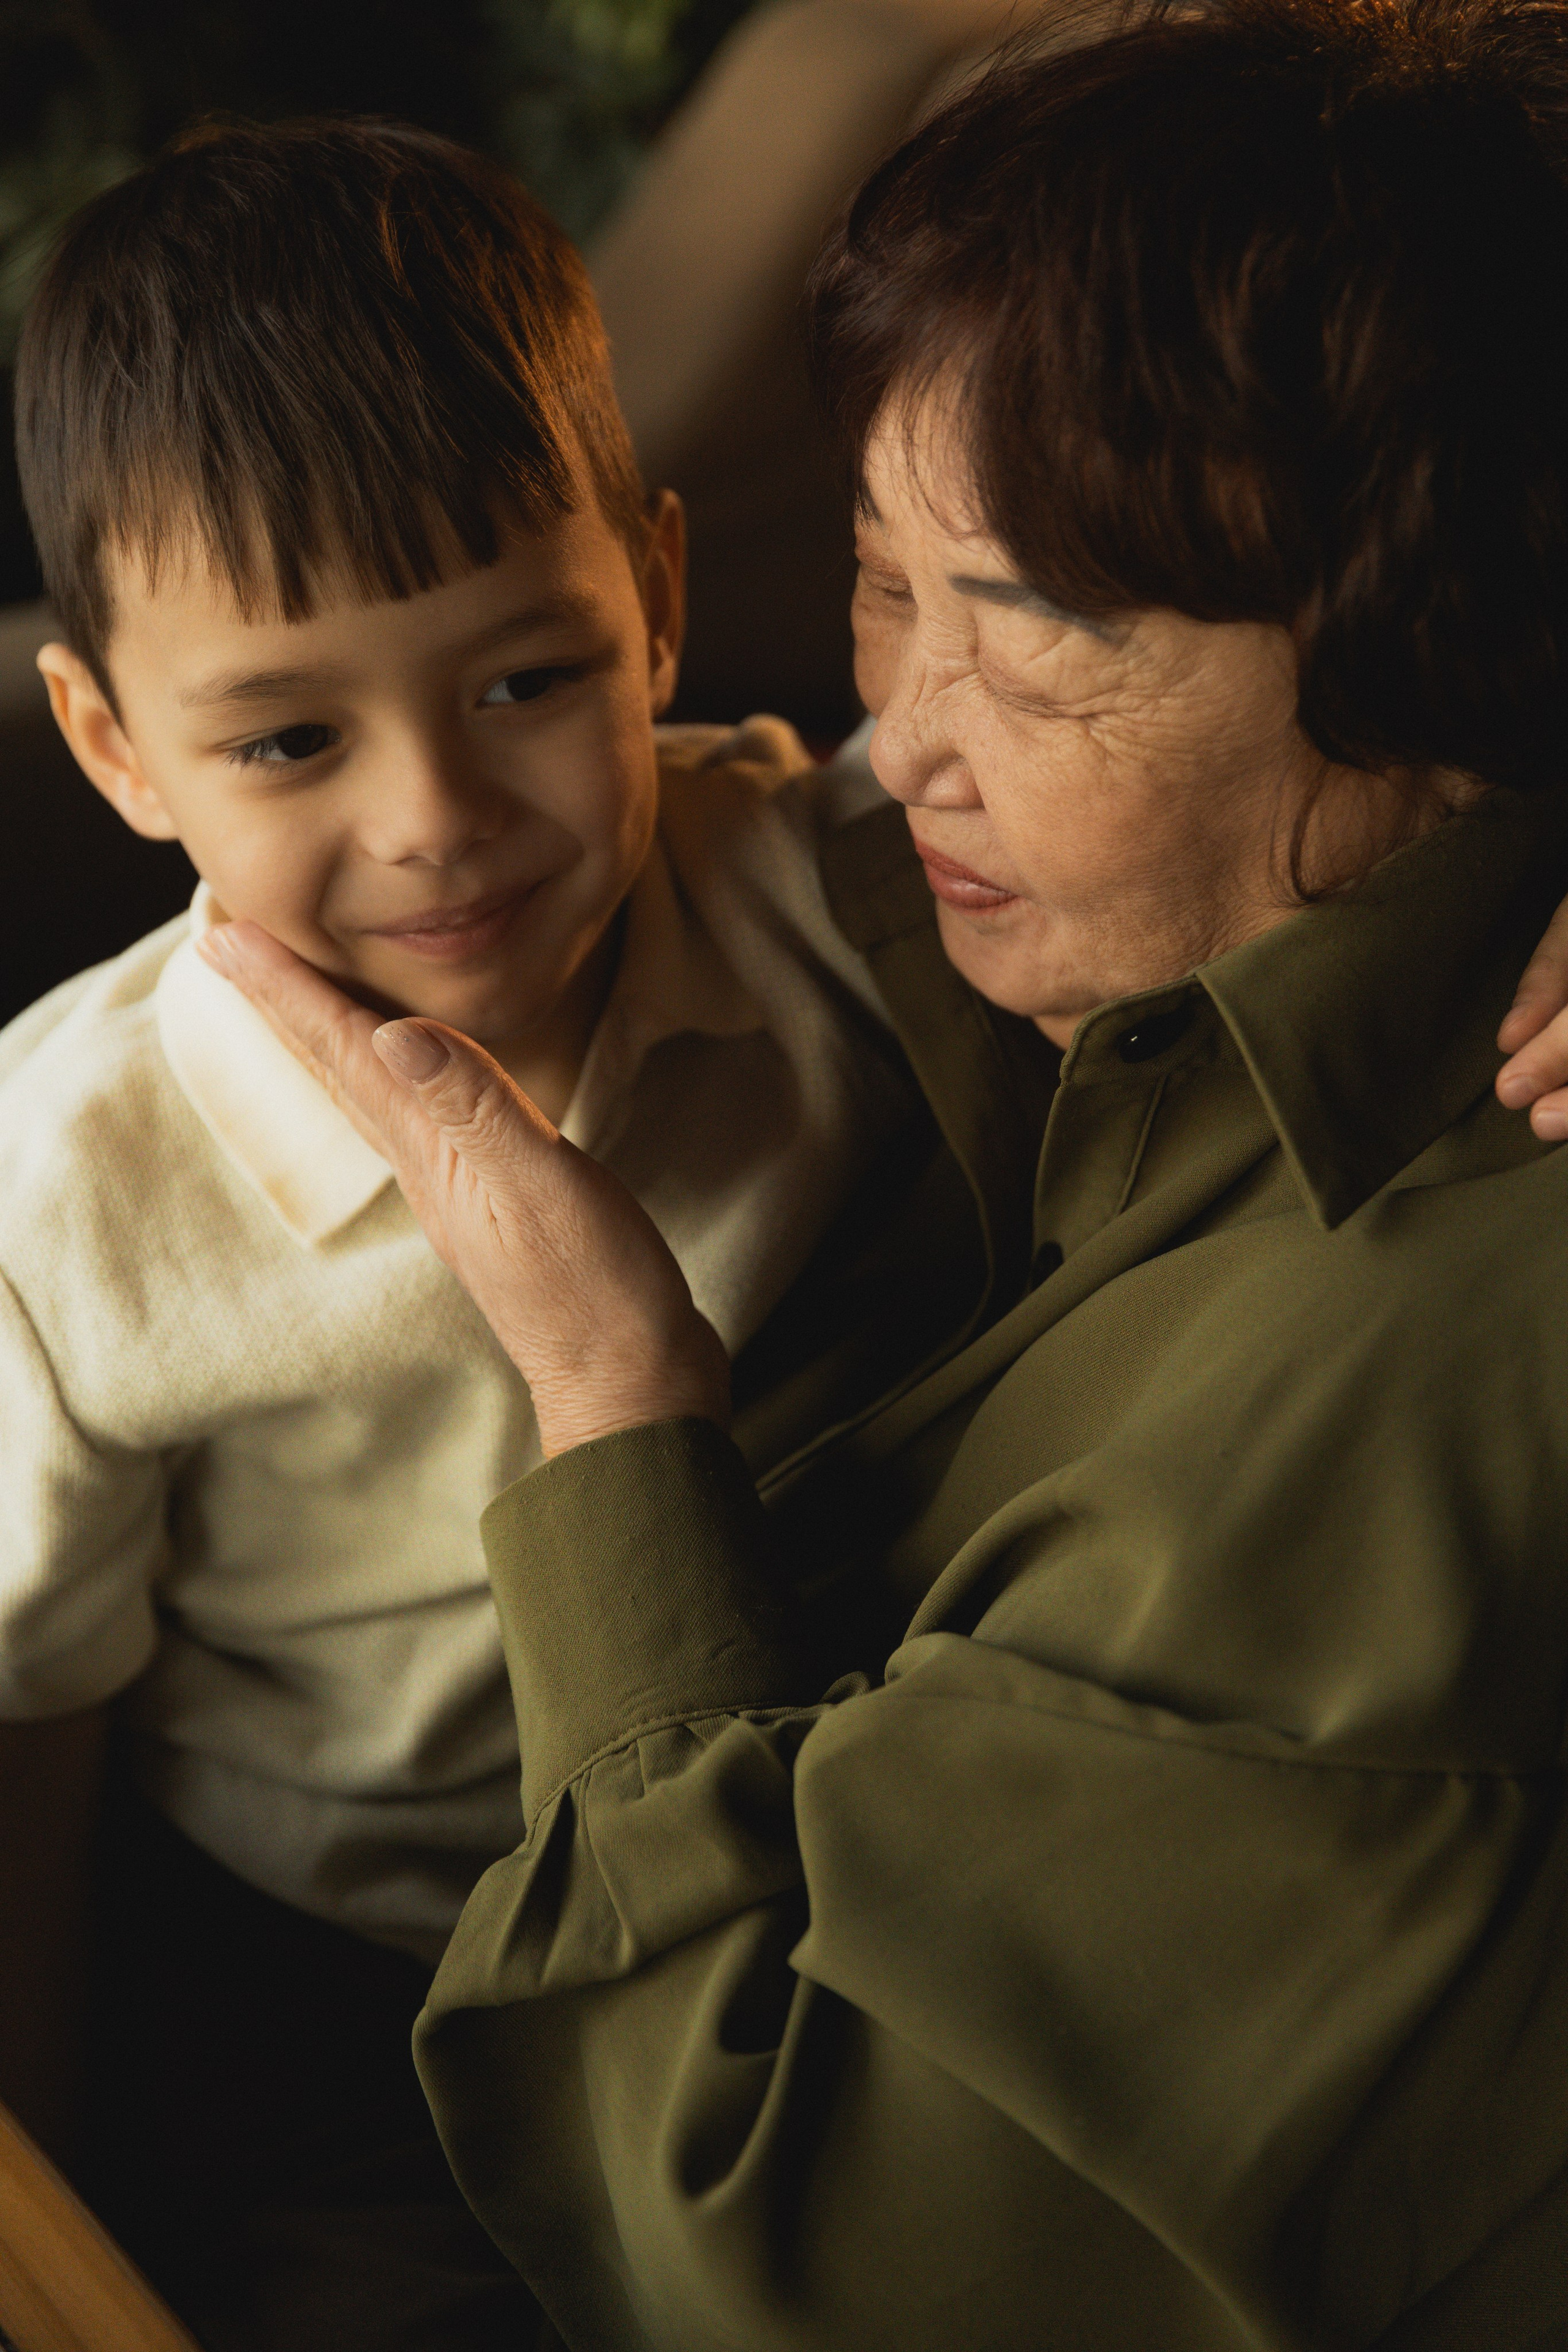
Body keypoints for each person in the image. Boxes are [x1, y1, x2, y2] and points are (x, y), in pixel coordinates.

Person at [210, 1, 1568, 2344]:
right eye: (877, 578)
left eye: (1033, 644)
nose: (899, 734)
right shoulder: (1076, 968)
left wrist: (615, 1397)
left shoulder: (1406, 1373)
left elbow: (762, 2244)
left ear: (1446, 653)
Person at [0, 119, 1000, 2352]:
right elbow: (31, 1746)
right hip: (339, 1967)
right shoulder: (64, 1188)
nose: (435, 818)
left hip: (804, 1834)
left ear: (655, 598)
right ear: (115, 746)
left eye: (529, 680)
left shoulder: (829, 888)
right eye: (287, 739)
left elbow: (1202, 850)